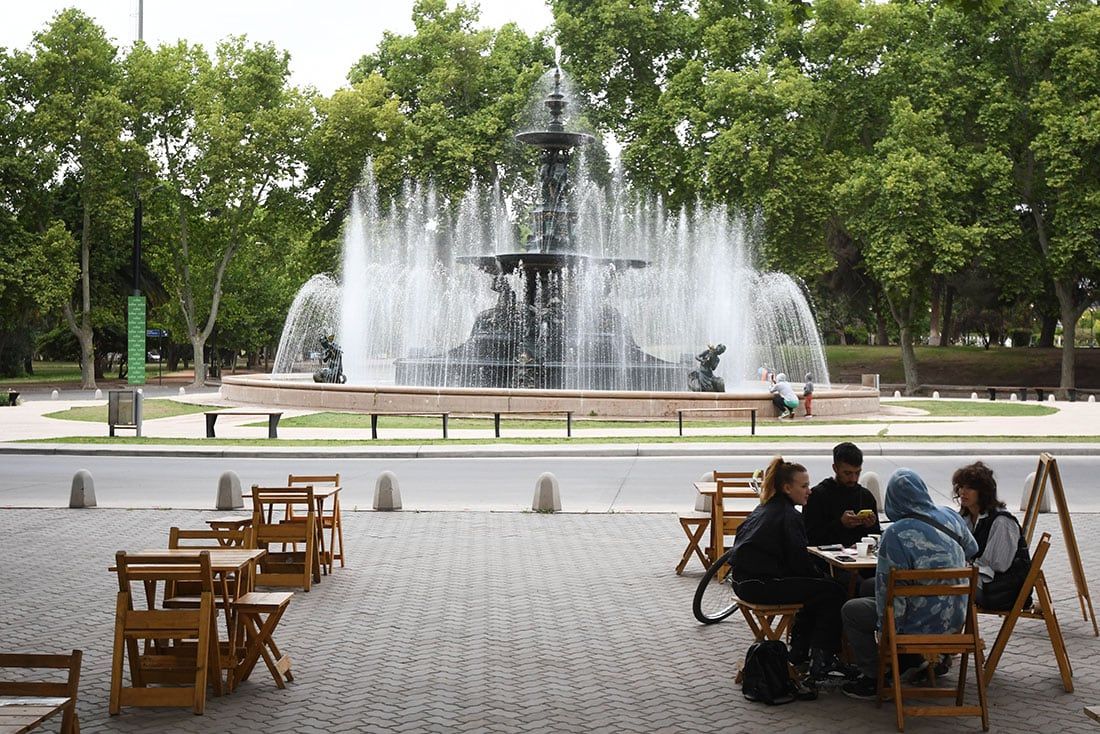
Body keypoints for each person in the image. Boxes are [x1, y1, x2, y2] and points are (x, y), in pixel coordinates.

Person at [841, 468, 979, 699]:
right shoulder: (951, 516)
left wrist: (888, 636)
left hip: (918, 623)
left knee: (851, 610)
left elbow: (888, 594)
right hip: (955, 618)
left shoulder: (896, 534)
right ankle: (918, 661)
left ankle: (876, 677)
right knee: (869, 588)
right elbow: (972, 549)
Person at [728, 456, 851, 684]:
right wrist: (824, 578)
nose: (809, 491)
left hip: (744, 582)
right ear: (787, 487)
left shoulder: (765, 507)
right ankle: (822, 659)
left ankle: (800, 652)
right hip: (761, 585)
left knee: (816, 591)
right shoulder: (789, 516)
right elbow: (799, 562)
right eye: (804, 486)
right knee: (833, 592)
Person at [953, 462, 1031, 611]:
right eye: (961, 487)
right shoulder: (966, 517)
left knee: (945, 585)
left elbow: (997, 566)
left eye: (970, 488)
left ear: (983, 492)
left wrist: (963, 567)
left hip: (1001, 591)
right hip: (982, 582)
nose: (963, 492)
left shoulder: (1002, 522)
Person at [804, 442, 881, 549]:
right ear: (835, 468)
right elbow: (810, 538)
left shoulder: (865, 496)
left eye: (857, 473)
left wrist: (870, 526)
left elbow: (876, 537)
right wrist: (840, 524)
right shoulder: (817, 495)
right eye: (848, 473)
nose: (853, 478)